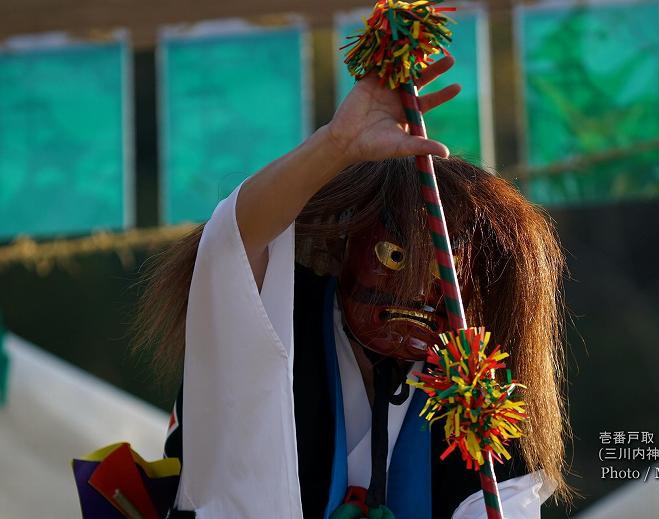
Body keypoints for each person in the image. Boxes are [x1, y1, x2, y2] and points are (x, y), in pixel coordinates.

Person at [135, 56, 569, 518]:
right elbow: (233, 245)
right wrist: (336, 145)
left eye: (441, 272)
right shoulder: (279, 325)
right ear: (346, 246)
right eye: (396, 257)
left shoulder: (481, 401)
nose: (416, 292)